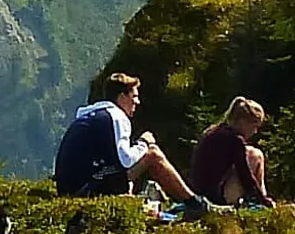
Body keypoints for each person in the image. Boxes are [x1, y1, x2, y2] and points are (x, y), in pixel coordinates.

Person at [54, 71, 199, 206]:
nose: (137, 102)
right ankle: (194, 203)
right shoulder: (117, 117)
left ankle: (130, 197)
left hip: (70, 189)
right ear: (122, 97)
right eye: (134, 97)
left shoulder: (93, 115)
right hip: (85, 191)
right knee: (153, 153)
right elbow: (126, 160)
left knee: (122, 169)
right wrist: (144, 142)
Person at [189, 96, 277, 209]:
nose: (255, 132)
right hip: (217, 197)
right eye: (254, 127)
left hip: (198, 193)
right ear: (242, 121)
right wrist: (264, 201)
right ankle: (261, 200)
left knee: (251, 151)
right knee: (256, 156)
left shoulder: (212, 131)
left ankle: (259, 198)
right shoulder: (235, 140)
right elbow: (245, 174)